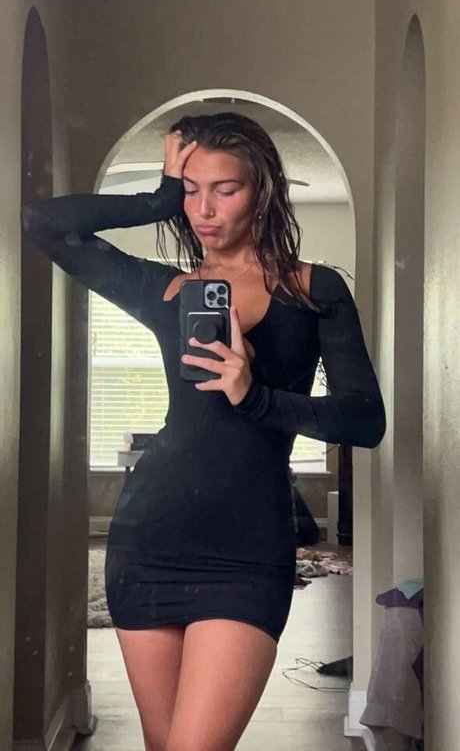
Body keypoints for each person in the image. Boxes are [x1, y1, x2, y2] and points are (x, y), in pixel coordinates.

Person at [22, 112, 386, 751]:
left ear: (262, 190)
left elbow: (364, 419)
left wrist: (255, 396)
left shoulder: (314, 291)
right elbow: (45, 223)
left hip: (249, 549)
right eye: (191, 190)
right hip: (148, 540)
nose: (203, 209)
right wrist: (158, 197)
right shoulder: (162, 290)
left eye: (226, 188)